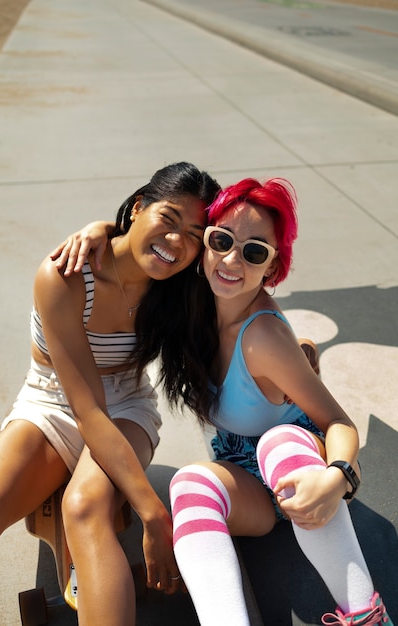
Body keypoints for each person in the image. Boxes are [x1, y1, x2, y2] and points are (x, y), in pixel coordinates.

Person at [0, 161, 221, 626]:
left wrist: (294, 349)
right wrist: (154, 515)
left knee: (84, 506)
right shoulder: (66, 274)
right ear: (138, 207)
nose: (177, 242)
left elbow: (242, 285)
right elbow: (85, 409)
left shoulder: (177, 287)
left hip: (127, 404)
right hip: (51, 401)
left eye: (194, 234)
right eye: (168, 219)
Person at [165, 177, 393, 626]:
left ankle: (368, 616)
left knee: (279, 441)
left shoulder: (264, 338)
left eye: (254, 251)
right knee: (188, 483)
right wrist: (99, 231)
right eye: (222, 240)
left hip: (298, 469)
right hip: (246, 477)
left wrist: (336, 478)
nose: (232, 259)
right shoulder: (190, 305)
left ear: (271, 268)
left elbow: (338, 423)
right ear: (204, 245)